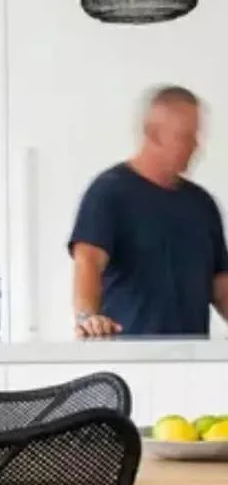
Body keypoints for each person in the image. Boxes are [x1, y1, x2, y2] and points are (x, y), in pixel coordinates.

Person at [69, 85, 228, 338]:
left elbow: (220, 286)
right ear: (153, 135)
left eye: (195, 137)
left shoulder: (203, 205)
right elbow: (87, 261)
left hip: (194, 362)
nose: (196, 147)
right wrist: (87, 318)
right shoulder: (109, 193)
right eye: (185, 137)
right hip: (131, 360)